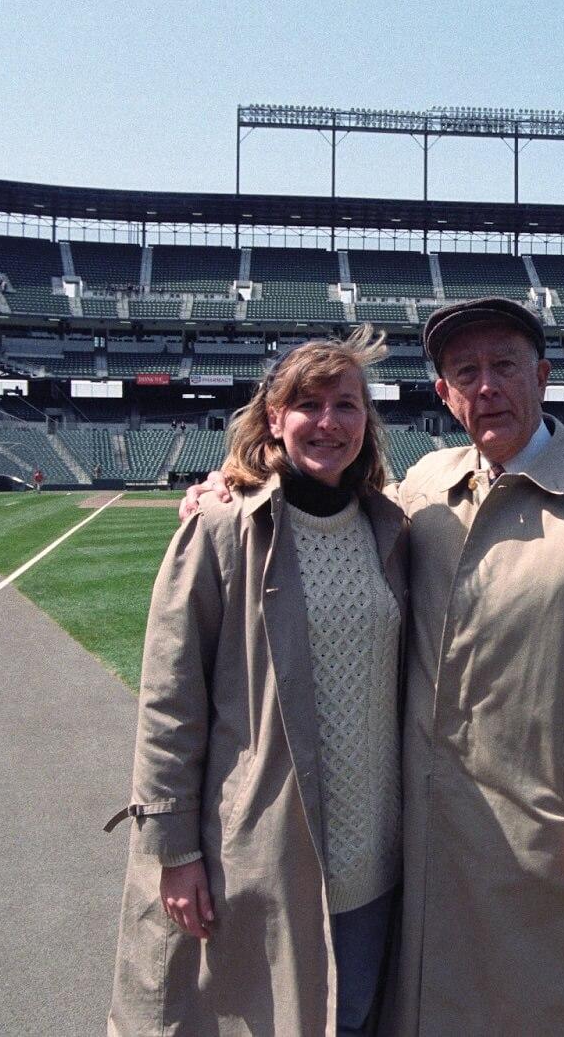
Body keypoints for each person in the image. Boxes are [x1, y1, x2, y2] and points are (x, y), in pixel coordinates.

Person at [182, 297, 564, 1035]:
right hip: (425, 827)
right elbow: (323, 502)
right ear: (444, 395)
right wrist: (230, 488)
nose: (487, 386)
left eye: (504, 366)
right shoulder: (422, 487)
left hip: (549, 824)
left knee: (555, 1003)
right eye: (465, 372)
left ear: (541, 376)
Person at [110, 326, 407, 1036]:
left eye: (347, 405)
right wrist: (174, 851)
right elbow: (168, 704)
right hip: (262, 854)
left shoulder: (389, 529)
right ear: (274, 417)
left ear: (367, 422)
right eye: (309, 404)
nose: (329, 423)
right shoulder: (220, 530)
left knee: (357, 1018)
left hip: (372, 860)